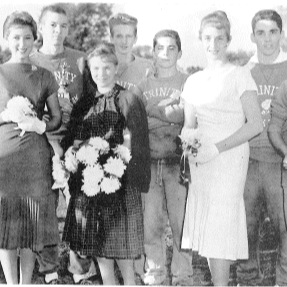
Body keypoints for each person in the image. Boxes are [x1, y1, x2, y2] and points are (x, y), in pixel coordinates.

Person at [180, 11, 263, 287]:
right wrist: (191, 147)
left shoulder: (240, 74)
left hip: (229, 156)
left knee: (221, 221)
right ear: (201, 40)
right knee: (207, 221)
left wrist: (217, 148)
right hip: (202, 160)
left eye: (219, 38)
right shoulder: (192, 81)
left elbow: (256, 124)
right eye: (207, 38)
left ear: (228, 40)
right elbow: (189, 125)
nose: (212, 44)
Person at [62, 42, 150, 285]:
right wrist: (71, 152)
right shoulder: (84, 103)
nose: (102, 73)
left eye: (107, 67)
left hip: (119, 183)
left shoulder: (128, 100)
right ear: (90, 71)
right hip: (90, 183)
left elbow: (138, 144)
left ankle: (130, 282)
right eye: (96, 68)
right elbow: (73, 138)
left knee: (120, 243)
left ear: (115, 67)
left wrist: (121, 172)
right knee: (100, 241)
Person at [29, 5, 97, 284]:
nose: (58, 31)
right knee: (44, 205)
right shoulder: (30, 60)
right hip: (42, 139)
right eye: (52, 25)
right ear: (41, 28)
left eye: (63, 26)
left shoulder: (80, 60)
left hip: (76, 139)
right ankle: (48, 268)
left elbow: (94, 102)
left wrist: (81, 142)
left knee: (81, 204)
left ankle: (80, 268)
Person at [0, 11, 61, 284]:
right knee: (6, 223)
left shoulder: (45, 75)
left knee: (30, 225)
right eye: (16, 37)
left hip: (35, 158)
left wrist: (41, 125)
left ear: (35, 39)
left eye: (27, 37)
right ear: (5, 39)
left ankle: (25, 283)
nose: (22, 43)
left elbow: (57, 116)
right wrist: (5, 116)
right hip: (5, 159)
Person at [132, 29, 193, 286]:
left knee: (181, 224)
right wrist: (167, 110)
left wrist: (153, 111)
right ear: (153, 52)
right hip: (150, 160)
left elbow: (184, 116)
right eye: (160, 48)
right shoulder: (142, 86)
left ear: (180, 52)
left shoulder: (189, 82)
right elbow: (136, 118)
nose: (165, 54)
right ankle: (155, 273)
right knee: (151, 223)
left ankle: (182, 275)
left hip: (177, 160)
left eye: (171, 48)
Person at [236, 10, 287, 287]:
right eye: (261, 33)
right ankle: (248, 280)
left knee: (285, 228)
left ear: (281, 34)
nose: (267, 39)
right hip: (249, 160)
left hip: (282, 161)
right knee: (246, 228)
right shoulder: (243, 71)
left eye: (273, 32)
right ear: (253, 36)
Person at [109, 13, 153, 91]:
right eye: (119, 36)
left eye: (128, 36)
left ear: (135, 39)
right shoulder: (102, 65)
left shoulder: (147, 68)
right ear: (111, 38)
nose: (124, 41)